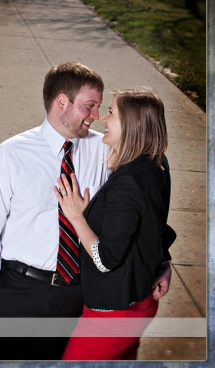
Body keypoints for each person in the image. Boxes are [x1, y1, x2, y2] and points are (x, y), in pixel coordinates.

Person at [0, 62, 172, 360]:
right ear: (61, 102)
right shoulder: (11, 153)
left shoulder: (107, 150)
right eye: (90, 107)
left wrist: (161, 262)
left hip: (77, 293)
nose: (97, 117)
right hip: (19, 289)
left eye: (101, 108)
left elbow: (141, 212)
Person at [55, 89, 175, 360]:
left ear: (132, 125)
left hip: (112, 317)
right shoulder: (157, 163)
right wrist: (164, 264)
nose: (103, 119)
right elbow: (153, 226)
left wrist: (76, 217)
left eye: (111, 112)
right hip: (140, 302)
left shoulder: (128, 181)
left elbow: (105, 259)